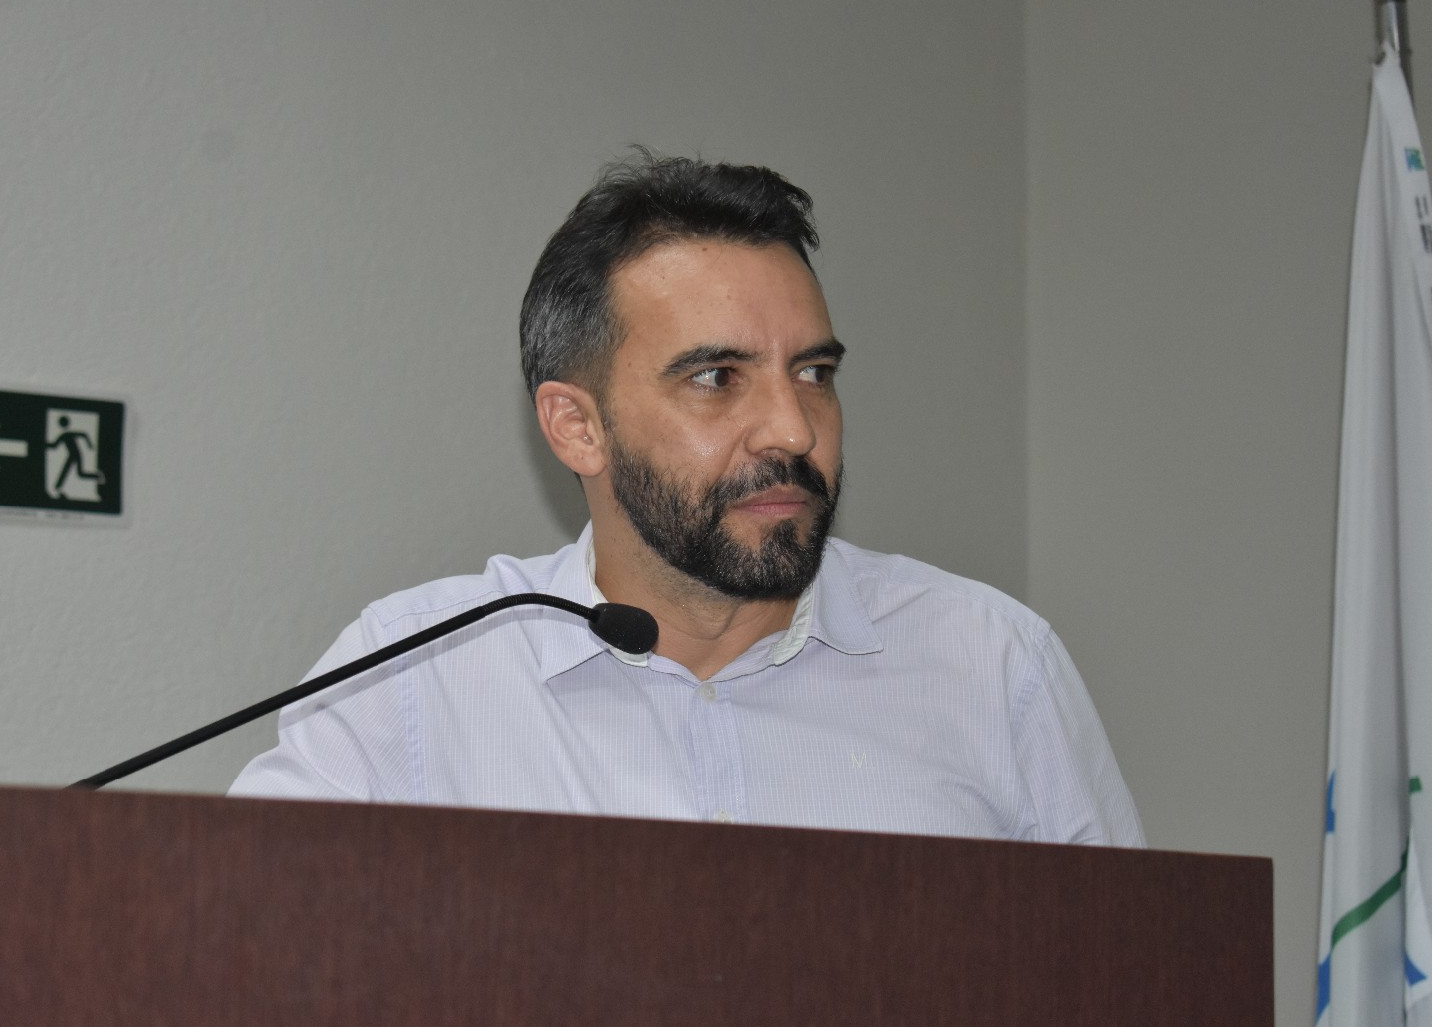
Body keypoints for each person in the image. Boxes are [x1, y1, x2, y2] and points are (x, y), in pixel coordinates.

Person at [231, 152, 1143, 846]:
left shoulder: (994, 667)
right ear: (577, 427)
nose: (792, 430)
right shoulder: (412, 680)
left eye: (813, 373)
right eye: (717, 377)